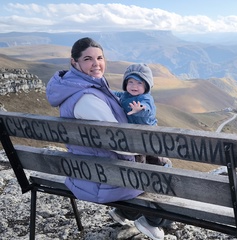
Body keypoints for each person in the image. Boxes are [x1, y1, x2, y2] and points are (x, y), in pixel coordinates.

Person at [46, 37, 165, 240]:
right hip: (105, 181)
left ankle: (126, 212)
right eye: (87, 59)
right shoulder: (87, 98)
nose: (96, 64)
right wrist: (148, 146)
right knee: (166, 175)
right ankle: (151, 221)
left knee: (161, 166)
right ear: (74, 62)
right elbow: (122, 145)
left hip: (88, 173)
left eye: (99, 57)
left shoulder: (78, 89)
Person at [113, 63, 172, 167]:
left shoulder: (145, 98)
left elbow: (148, 109)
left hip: (149, 133)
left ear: (146, 85)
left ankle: (165, 166)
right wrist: (105, 91)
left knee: (154, 156)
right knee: (139, 156)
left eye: (139, 83)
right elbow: (117, 94)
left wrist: (140, 109)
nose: (134, 86)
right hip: (136, 135)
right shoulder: (126, 95)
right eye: (130, 82)